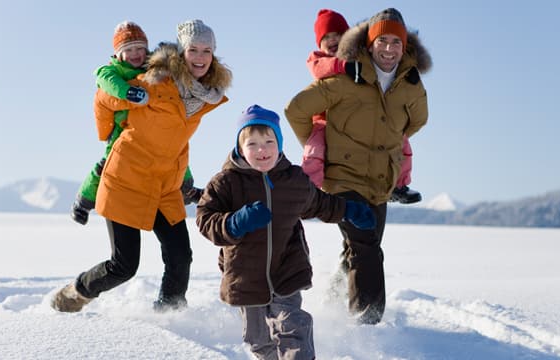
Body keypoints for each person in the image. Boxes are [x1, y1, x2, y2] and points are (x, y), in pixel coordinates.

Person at [52, 19, 232, 313]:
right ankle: (77, 292)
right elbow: (104, 94)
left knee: (180, 256)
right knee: (123, 266)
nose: (200, 57)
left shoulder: (203, 95)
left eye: (206, 51)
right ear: (181, 52)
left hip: (165, 185)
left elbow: (174, 139)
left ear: (213, 55)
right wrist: (108, 128)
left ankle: (169, 315)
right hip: (126, 179)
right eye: (193, 50)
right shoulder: (155, 80)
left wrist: (185, 178)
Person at [285, 7, 431, 325]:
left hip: (380, 180)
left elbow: (417, 121)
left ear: (405, 45)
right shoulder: (346, 77)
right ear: (369, 42)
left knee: (362, 246)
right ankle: (367, 325)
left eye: (396, 42)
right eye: (382, 41)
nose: (389, 49)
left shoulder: (410, 83)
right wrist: (320, 138)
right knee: (365, 245)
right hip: (343, 178)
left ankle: (335, 295)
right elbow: (296, 109)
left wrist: (389, 142)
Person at [196, 104, 375, 359]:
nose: (262, 150)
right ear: (240, 147)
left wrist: (350, 210)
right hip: (245, 277)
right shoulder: (226, 182)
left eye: (269, 141)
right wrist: (236, 221)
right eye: (253, 144)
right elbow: (206, 219)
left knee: (293, 327)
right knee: (258, 341)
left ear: (279, 143)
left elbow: (321, 204)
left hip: (286, 270)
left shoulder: (293, 180)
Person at [70, 21, 203, 226]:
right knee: (108, 164)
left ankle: (187, 189)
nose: (135, 54)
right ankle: (84, 201)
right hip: (124, 128)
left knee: (174, 151)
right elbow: (106, 81)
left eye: (139, 48)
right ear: (118, 53)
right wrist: (127, 92)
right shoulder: (113, 70)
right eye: (129, 49)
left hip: (151, 125)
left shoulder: (153, 67)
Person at [304, 9, 422, 204]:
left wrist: (408, 72)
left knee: (400, 142)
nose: (332, 40)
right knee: (314, 150)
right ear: (319, 43)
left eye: (337, 35)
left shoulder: (362, 58)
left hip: (358, 118)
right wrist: (342, 66)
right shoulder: (317, 59)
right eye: (326, 37)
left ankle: (399, 185)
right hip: (325, 118)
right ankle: (309, 190)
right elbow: (319, 69)